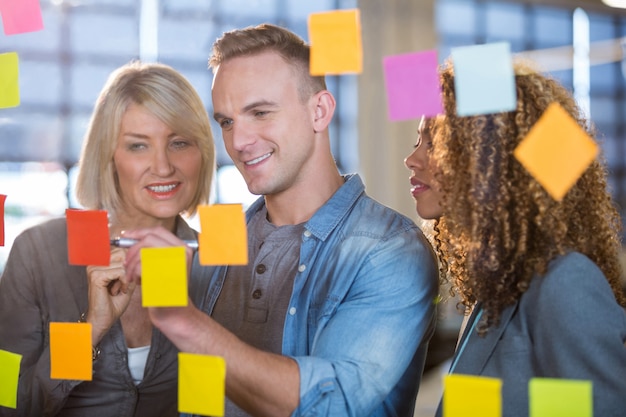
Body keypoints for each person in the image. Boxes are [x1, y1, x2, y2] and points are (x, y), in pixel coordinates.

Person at [122, 23, 439, 417]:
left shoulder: (390, 250)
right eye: (227, 121)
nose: (238, 141)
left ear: (319, 111)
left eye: (260, 113)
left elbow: (334, 407)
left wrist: (184, 321)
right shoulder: (215, 243)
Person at [404, 59, 626, 417]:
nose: (411, 159)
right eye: (418, 140)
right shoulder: (495, 285)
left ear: (490, 158)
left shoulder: (565, 282)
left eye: (433, 142)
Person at [0, 61, 215, 416]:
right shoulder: (39, 253)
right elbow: (10, 405)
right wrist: (88, 332)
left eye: (179, 143)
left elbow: (214, 406)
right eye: (138, 146)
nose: (163, 167)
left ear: (202, 151)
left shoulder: (215, 267)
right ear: (108, 157)